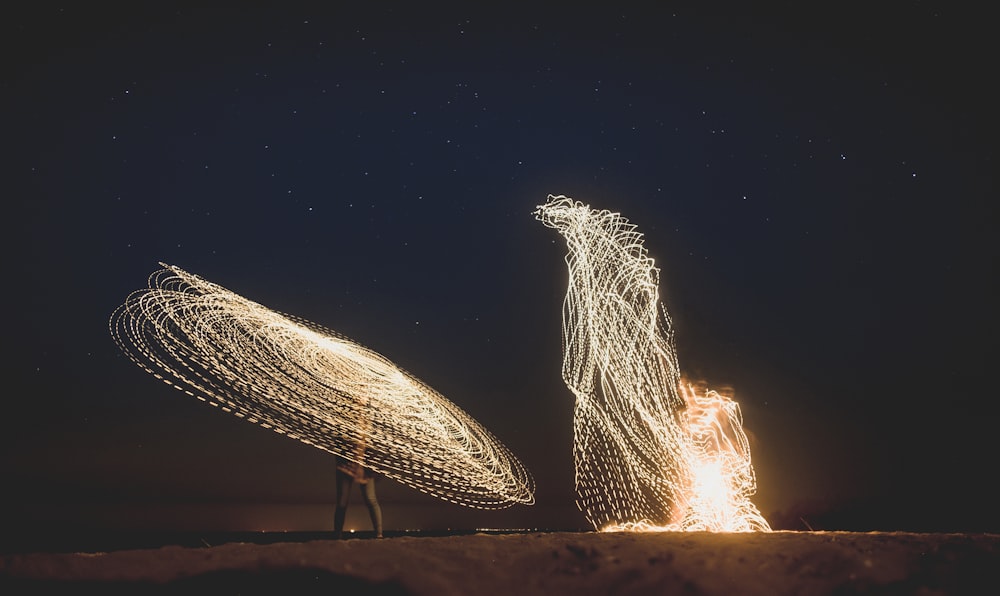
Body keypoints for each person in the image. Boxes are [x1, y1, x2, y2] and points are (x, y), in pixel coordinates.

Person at [334, 454, 383, 539]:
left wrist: (361, 465)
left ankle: (379, 534)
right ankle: (337, 535)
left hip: (362, 463)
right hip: (347, 463)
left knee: (370, 499)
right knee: (342, 502)